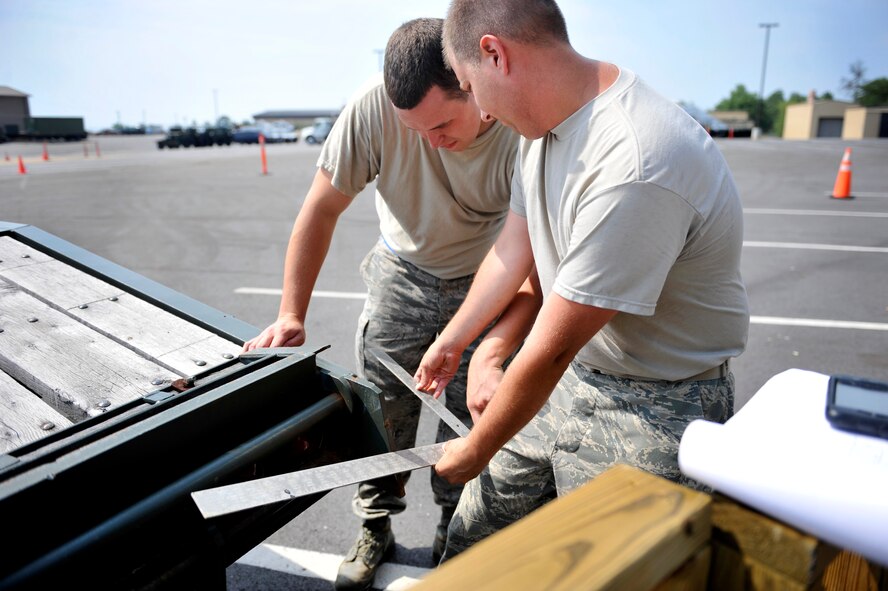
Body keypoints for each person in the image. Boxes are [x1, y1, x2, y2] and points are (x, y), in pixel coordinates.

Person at [414, 0, 750, 561]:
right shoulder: (540, 128)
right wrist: (459, 340)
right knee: (475, 545)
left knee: (605, 571)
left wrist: (478, 446)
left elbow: (551, 347)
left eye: (470, 87)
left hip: (657, 405)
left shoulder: (635, 159)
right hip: (573, 377)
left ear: (494, 54)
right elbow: (513, 251)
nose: (478, 108)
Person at [241, 17, 519, 590]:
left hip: (488, 279)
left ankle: (452, 528)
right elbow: (320, 208)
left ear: (472, 83)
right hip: (403, 272)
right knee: (382, 414)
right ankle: (375, 527)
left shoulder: (518, 125)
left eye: (441, 124)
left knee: (469, 419)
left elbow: (532, 257)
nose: (429, 141)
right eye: (413, 128)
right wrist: (292, 312)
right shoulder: (371, 108)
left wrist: (486, 347)